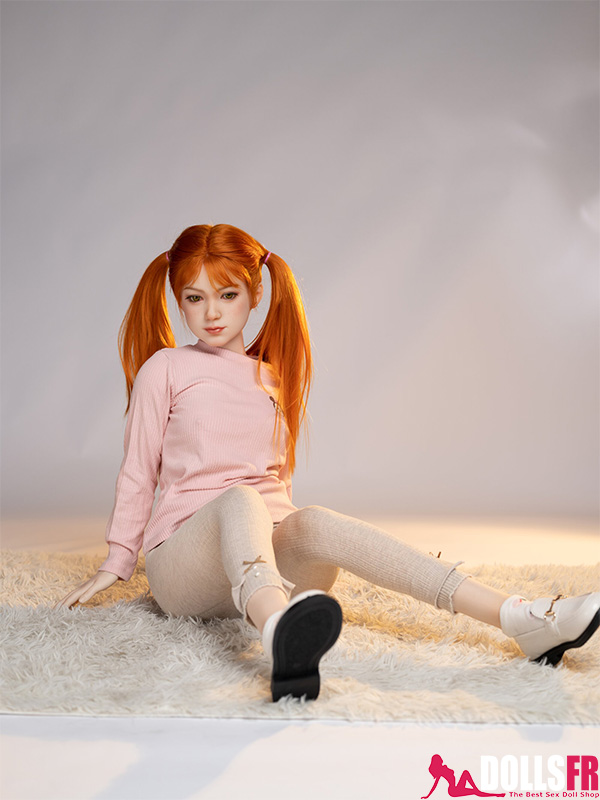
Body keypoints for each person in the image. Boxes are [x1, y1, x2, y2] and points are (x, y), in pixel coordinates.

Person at [55, 223, 600, 703]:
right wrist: (118, 559)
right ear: (177, 300)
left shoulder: (273, 378)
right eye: (194, 298)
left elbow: (277, 482)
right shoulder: (166, 369)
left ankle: (518, 617)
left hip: (260, 558)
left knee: (312, 518)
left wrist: (290, 536)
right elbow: (138, 469)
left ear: (256, 292)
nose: (212, 312)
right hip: (186, 567)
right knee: (240, 499)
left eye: (227, 294)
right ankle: (279, 633)